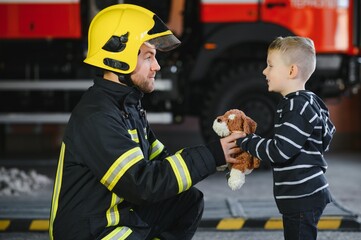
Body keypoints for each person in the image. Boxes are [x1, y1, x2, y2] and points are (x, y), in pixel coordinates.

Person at [48, 4, 242, 240]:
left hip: (114, 218)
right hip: (93, 232)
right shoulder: (97, 116)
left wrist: (221, 156)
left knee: (186, 202)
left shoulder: (127, 106)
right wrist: (211, 155)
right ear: (118, 58)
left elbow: (161, 162)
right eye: (148, 56)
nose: (157, 66)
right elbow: (143, 185)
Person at [236, 36, 336, 240]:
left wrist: (246, 141)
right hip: (304, 193)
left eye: (270, 65)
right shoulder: (307, 101)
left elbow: (279, 151)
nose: (265, 71)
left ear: (291, 71)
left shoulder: (296, 106)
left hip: (303, 195)